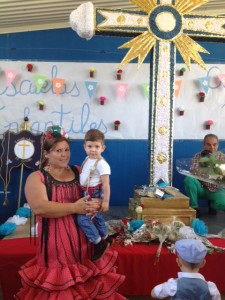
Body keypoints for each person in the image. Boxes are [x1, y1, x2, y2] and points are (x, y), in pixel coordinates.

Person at [15, 125, 126, 300]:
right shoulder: (37, 177)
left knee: (88, 286)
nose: (64, 154)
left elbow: (95, 189)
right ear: (46, 153)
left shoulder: (78, 170)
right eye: (58, 150)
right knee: (62, 287)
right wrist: (75, 207)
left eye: (66, 149)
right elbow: (40, 207)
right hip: (57, 245)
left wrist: (98, 202)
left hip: (85, 242)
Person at [77, 129, 112, 262]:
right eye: (90, 146)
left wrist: (105, 202)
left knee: (82, 220)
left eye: (96, 147)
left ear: (102, 148)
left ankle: (99, 243)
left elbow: (106, 185)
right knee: (97, 218)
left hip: (93, 194)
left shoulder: (102, 164)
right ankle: (106, 237)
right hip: (85, 191)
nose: (93, 150)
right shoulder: (87, 159)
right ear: (84, 147)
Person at [151, 239, 221, 300]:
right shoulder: (211, 287)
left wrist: (168, 282)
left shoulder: (173, 285)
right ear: (203, 263)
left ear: (178, 262)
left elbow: (154, 294)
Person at [184, 134, 225, 217]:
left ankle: (213, 205)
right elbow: (193, 172)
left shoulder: (222, 157)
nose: (212, 147)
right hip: (201, 187)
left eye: (214, 144)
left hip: (217, 189)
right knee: (189, 180)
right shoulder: (198, 156)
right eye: (208, 144)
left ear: (218, 145)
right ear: (204, 145)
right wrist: (203, 162)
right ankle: (195, 208)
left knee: (222, 203)